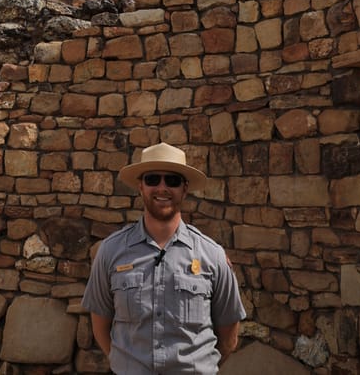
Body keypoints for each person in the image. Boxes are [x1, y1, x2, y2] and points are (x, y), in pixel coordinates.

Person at [82, 143, 245, 374]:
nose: (162, 188)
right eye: (152, 180)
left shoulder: (213, 256)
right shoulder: (111, 251)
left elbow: (229, 337)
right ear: (140, 186)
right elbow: (100, 323)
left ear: (184, 189)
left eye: (172, 181)